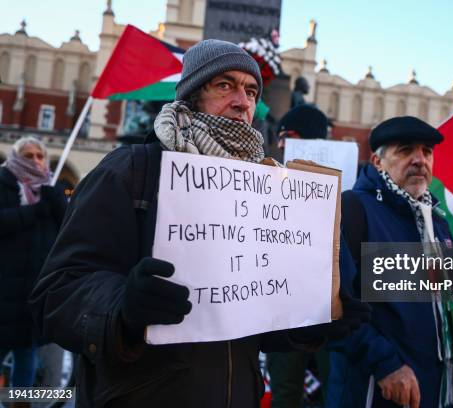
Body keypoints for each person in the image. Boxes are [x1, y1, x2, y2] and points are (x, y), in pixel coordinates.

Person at [29, 39, 369, 408]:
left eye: (251, 90)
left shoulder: (265, 189)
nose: (243, 101)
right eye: (225, 85)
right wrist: (121, 306)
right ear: (191, 95)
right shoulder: (130, 171)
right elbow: (55, 295)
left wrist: (309, 323)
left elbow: (249, 324)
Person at [329, 117, 453, 408]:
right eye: (406, 150)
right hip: (376, 389)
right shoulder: (353, 209)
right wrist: (384, 363)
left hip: (434, 387)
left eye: (427, 152)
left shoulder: (437, 220)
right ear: (377, 161)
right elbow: (330, 304)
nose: (420, 160)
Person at [266, 104, 331, 407]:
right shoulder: (264, 183)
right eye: (280, 137)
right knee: (285, 394)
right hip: (284, 317)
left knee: (333, 393)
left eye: (289, 136)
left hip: (330, 316)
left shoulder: (349, 190)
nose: (281, 144)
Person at [0, 136, 66, 387]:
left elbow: (67, 226)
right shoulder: (4, 181)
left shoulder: (49, 186)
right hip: (5, 288)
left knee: (26, 356)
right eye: (29, 156)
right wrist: (34, 212)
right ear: (16, 158)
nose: (36, 161)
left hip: (34, 290)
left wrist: (55, 198)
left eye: (40, 156)